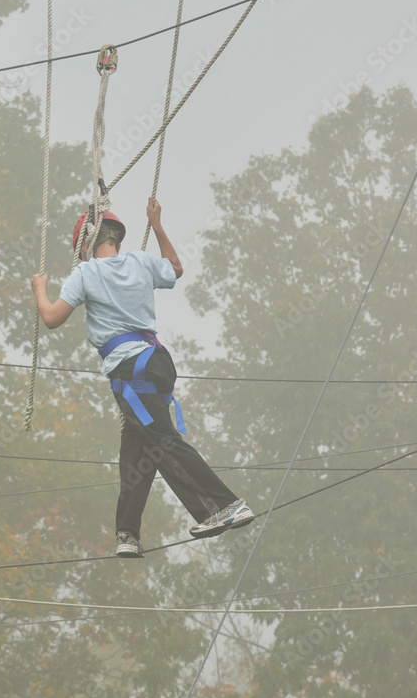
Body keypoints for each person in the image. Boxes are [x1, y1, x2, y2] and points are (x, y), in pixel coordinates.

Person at [30, 198, 254, 558]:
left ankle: (223, 505)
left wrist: (39, 290)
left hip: (131, 371)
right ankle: (127, 533)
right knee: (138, 449)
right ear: (116, 237)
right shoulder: (140, 260)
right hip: (156, 362)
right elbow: (176, 268)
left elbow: (53, 318)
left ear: (85, 246)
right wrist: (158, 224)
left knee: (163, 442)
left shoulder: (85, 274)